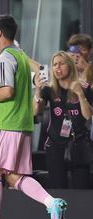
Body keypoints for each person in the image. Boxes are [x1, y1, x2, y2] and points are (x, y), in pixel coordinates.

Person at [0, 15, 67, 219]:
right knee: (12, 175)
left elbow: (7, 91)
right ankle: (51, 203)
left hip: (5, 123)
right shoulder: (20, 56)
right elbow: (33, 77)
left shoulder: (3, 58)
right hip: (22, 125)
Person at [34, 51, 93, 189]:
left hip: (79, 144)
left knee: (81, 189)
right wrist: (37, 91)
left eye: (61, 63)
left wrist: (80, 95)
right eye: (54, 64)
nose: (57, 67)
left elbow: (88, 116)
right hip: (55, 145)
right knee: (57, 188)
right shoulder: (48, 89)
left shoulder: (84, 87)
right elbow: (36, 110)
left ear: (70, 66)